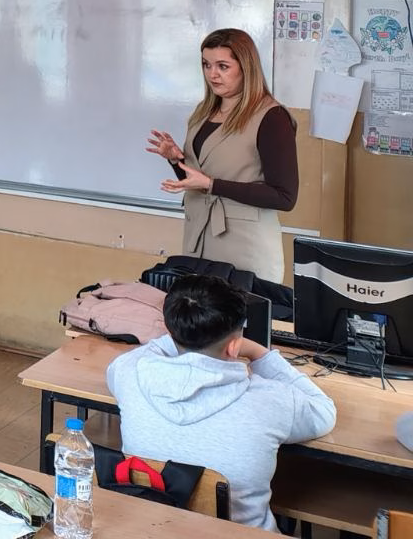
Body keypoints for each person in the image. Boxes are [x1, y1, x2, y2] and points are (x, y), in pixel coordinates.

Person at [107, 273, 335, 530]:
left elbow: (137, 358)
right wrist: (259, 352)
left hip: (153, 530)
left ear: (170, 330)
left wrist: (183, 331)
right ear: (234, 346)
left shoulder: (130, 373)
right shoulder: (272, 399)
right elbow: (324, 412)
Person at [146, 28, 297, 281]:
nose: (212, 74)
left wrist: (212, 185)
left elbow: (284, 197)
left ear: (246, 67)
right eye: (206, 65)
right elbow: (198, 181)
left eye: (222, 66)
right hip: (198, 239)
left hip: (244, 247)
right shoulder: (203, 112)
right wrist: (176, 160)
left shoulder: (272, 117)